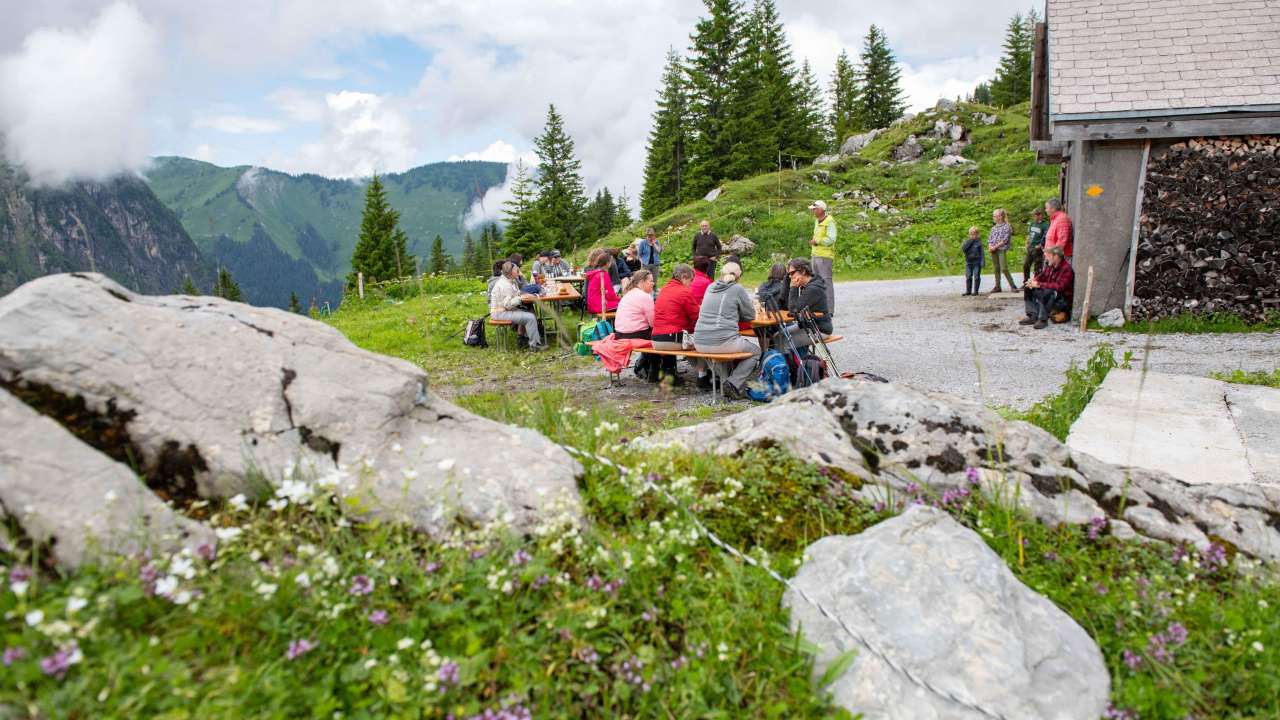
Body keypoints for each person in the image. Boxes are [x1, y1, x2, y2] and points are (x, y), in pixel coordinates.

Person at [693, 262, 758, 400]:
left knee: (726, 346)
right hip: (722, 342)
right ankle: (733, 383)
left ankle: (725, 380)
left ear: (721, 273)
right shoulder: (737, 289)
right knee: (756, 351)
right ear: (738, 277)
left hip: (699, 341)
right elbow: (750, 316)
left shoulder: (710, 287)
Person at [653, 263, 702, 388]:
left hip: (656, 339)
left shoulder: (663, 290)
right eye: (691, 280)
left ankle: (669, 374)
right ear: (684, 277)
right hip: (673, 339)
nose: (691, 284)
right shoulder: (684, 291)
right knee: (705, 343)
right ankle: (705, 375)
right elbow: (696, 317)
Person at [774, 258, 832, 351]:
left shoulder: (813, 288)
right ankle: (789, 362)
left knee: (783, 340)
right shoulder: (806, 285)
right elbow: (783, 300)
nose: (790, 277)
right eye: (788, 274)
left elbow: (793, 309)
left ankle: (790, 365)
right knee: (778, 335)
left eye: (792, 273)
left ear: (803, 271)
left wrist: (794, 287)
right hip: (806, 325)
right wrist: (786, 279)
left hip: (819, 329)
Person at [490, 262, 545, 350]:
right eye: (516, 270)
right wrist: (521, 298)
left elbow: (516, 293)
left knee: (528, 310)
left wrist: (525, 294)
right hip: (500, 313)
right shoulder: (505, 285)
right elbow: (508, 305)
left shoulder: (510, 281)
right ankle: (534, 346)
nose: (518, 271)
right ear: (511, 272)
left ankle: (526, 339)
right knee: (530, 317)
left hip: (505, 310)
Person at [1021, 246, 1074, 329]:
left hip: (1062, 301)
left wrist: (1039, 284)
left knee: (1048, 291)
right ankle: (1033, 315)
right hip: (1052, 296)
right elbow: (1042, 276)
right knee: (1028, 287)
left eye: (1048, 256)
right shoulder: (1050, 265)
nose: (1046, 258)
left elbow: (1059, 286)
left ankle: (1043, 320)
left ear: (1056, 257)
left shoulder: (1066, 269)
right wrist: (1033, 281)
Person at [808, 200, 837, 315]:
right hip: (815, 254)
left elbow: (831, 239)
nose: (813, 211)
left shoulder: (830, 222)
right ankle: (819, 307)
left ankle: (829, 310)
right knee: (816, 282)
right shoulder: (817, 221)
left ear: (820, 210)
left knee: (826, 282)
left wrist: (817, 241)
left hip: (825, 256)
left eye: (814, 209)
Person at [986, 208, 1018, 293]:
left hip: (1001, 250)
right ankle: (997, 286)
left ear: (1000, 217)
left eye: (995, 216)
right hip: (993, 251)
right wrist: (990, 246)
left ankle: (1013, 285)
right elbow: (990, 239)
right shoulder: (993, 228)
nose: (993, 217)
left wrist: (995, 247)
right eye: (993, 216)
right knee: (996, 268)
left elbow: (1004, 240)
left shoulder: (1006, 226)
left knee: (1004, 268)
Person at [585, 249, 621, 315]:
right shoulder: (603, 274)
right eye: (611, 262)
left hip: (592, 304)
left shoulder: (595, 273)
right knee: (624, 304)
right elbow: (610, 295)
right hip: (600, 305)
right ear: (607, 263)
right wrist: (619, 299)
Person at [1044, 198, 1073, 264]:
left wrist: (1053, 256)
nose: (1046, 210)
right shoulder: (1055, 218)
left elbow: (1062, 241)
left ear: (1053, 209)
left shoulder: (1062, 219)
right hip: (1052, 258)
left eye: (1046, 208)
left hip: (1058, 259)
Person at [1024, 208, 1048, 284]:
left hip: (1038, 249)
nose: (1033, 217)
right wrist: (1027, 243)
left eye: (1035, 215)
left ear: (1040, 215)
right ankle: (1026, 282)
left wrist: (1040, 245)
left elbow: (1046, 237)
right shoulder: (1032, 223)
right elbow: (1029, 234)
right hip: (1030, 247)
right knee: (1026, 265)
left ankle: (1035, 282)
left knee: (1037, 267)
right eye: (1033, 215)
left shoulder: (1045, 225)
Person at [962, 226, 984, 296]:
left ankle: (976, 291)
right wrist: (970, 241)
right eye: (971, 234)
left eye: (974, 234)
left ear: (977, 234)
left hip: (977, 262)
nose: (972, 236)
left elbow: (982, 253)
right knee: (968, 276)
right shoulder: (967, 241)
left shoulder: (979, 242)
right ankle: (968, 291)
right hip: (968, 262)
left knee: (977, 276)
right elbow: (964, 249)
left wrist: (982, 261)